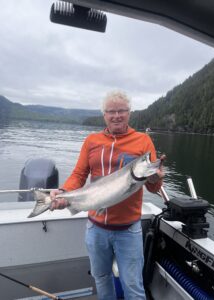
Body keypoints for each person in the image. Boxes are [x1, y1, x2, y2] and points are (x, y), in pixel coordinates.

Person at [50, 91, 164, 300]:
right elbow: (78, 174)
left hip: (128, 230)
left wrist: (156, 180)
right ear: (104, 115)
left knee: (133, 285)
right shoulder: (92, 141)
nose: (117, 115)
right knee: (101, 278)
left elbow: (153, 187)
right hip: (96, 229)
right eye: (111, 111)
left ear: (129, 113)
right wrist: (64, 193)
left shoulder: (143, 141)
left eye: (122, 110)